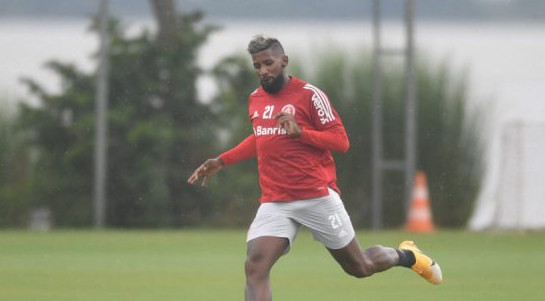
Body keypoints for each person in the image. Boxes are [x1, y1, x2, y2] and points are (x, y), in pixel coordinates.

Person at [188, 35, 442, 300]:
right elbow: (262, 137)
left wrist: (301, 133)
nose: (263, 71)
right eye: (257, 66)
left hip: (316, 196)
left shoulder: (309, 95)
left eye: (268, 63)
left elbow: (341, 142)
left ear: (284, 61)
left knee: (360, 267)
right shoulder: (255, 98)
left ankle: (407, 256)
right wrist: (222, 160)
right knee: (255, 267)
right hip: (275, 201)